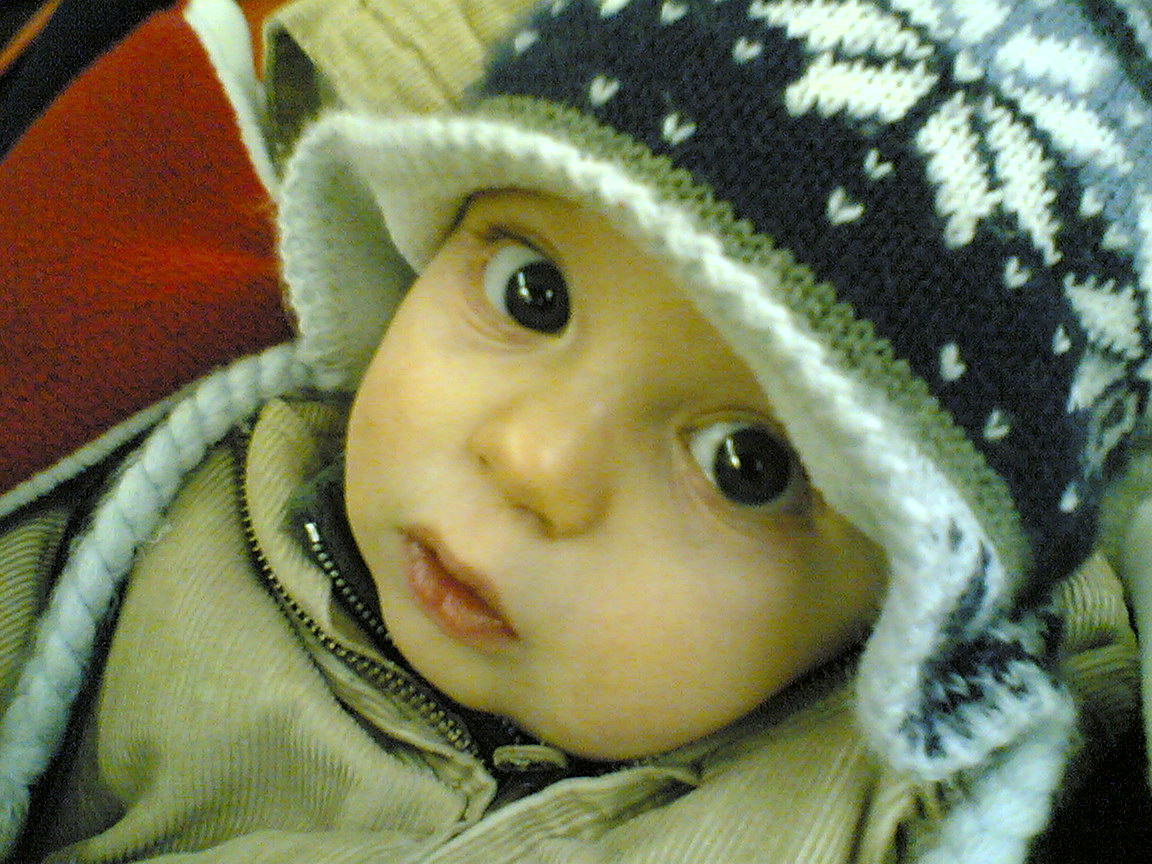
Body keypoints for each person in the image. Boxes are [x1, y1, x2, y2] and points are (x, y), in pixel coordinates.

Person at [0, 0, 1149, 861]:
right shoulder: (157, 519)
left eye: (745, 465)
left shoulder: (884, 812)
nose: (533, 462)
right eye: (531, 293)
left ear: (899, 612)